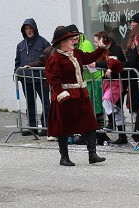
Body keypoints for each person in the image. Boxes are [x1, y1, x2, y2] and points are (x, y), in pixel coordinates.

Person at [45, 25, 119, 166]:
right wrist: (60, 93)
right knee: (64, 127)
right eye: (70, 39)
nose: (73, 40)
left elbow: (90, 57)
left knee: (90, 123)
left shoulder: (76, 54)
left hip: (81, 95)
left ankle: (92, 154)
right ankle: (64, 157)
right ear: (62, 42)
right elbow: (53, 78)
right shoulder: (55, 59)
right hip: (66, 97)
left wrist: (102, 47)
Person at [14, 18, 50, 130]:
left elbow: (49, 59)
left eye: (30, 28)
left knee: (46, 103)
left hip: (41, 79)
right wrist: (17, 72)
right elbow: (17, 62)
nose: (28, 31)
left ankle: (46, 125)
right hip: (26, 80)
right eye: (26, 29)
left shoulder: (43, 42)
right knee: (30, 103)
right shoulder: (20, 45)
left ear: (34, 29)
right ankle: (32, 126)